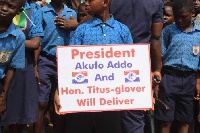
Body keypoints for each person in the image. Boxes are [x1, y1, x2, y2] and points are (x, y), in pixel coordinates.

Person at [54, 0, 133, 132]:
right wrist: (59, 90)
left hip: (112, 101)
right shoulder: (82, 30)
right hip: (83, 100)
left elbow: (132, 64)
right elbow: (70, 64)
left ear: (105, 2)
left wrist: (143, 94)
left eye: (91, 0)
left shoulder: (122, 30)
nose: (86, 4)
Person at [110, 0, 163, 133]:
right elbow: (156, 38)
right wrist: (156, 69)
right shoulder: (156, 1)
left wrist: (75, 25)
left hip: (110, 60)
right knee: (134, 112)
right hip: (140, 62)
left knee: (110, 111)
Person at [155, 0, 200, 132]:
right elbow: (161, 56)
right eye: (177, 16)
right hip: (169, 77)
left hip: (189, 79)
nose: (179, 20)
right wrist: (158, 81)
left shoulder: (198, 34)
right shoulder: (168, 31)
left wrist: (198, 83)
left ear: (192, 14)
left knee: (185, 120)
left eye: (183, 17)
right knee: (165, 119)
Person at [34, 0, 77, 132]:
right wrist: (35, 65)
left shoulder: (71, 14)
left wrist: (74, 25)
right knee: (42, 101)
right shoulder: (41, 12)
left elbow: (75, 39)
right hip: (45, 59)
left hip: (64, 63)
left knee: (60, 102)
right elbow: (38, 39)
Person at [0, 1, 43, 133]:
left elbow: (36, 42)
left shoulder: (32, 11)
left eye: (11, 6)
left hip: (19, 65)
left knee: (16, 112)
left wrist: (12, 43)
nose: (4, 8)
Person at [0, 0, 26, 131]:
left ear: (19, 11)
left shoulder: (18, 37)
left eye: (10, 6)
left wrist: (3, 98)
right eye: (1, 3)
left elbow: (12, 68)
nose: (3, 8)